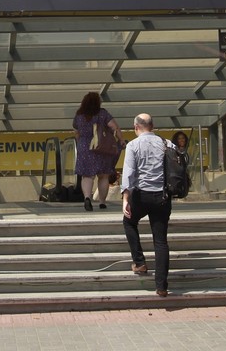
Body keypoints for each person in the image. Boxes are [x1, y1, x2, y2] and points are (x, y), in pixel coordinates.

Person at [120, 113, 171, 297]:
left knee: (129, 222)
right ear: (152, 126)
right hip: (163, 197)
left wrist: (125, 198)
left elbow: (129, 173)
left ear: (136, 127)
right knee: (160, 240)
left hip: (141, 196)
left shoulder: (133, 145)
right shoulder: (166, 144)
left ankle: (139, 261)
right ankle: (162, 286)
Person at [72, 91, 122, 211]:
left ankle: (87, 198)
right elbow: (114, 127)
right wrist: (121, 140)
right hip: (102, 147)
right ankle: (102, 202)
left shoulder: (79, 115)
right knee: (103, 176)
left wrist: (81, 143)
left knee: (87, 176)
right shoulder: (103, 113)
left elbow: (76, 131)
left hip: (85, 147)